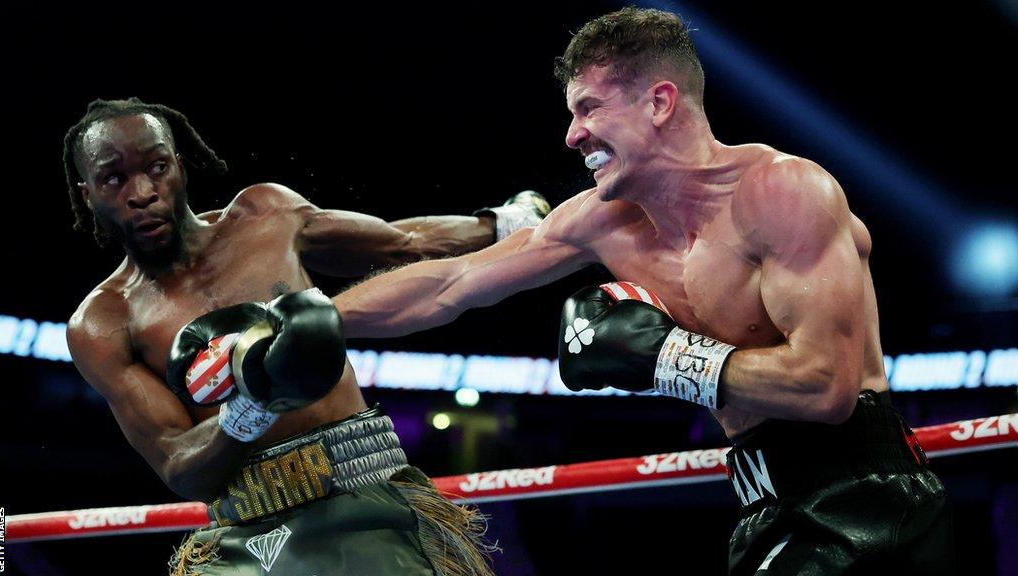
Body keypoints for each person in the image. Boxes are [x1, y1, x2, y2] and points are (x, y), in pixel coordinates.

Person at [331, 8, 954, 575]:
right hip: (764, 509)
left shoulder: (783, 192)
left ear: (659, 102)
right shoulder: (602, 220)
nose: (572, 135)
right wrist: (297, 321)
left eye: (588, 108)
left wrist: (665, 358)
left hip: (867, 505)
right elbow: (451, 284)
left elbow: (827, 387)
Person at [63, 97, 549, 575]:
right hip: (245, 533)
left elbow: (405, 244)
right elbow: (177, 463)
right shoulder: (105, 323)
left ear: (181, 167)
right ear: (88, 194)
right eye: (114, 178)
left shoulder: (265, 216)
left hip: (364, 493)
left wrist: (507, 223)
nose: (142, 191)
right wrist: (254, 402)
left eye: (157, 167)